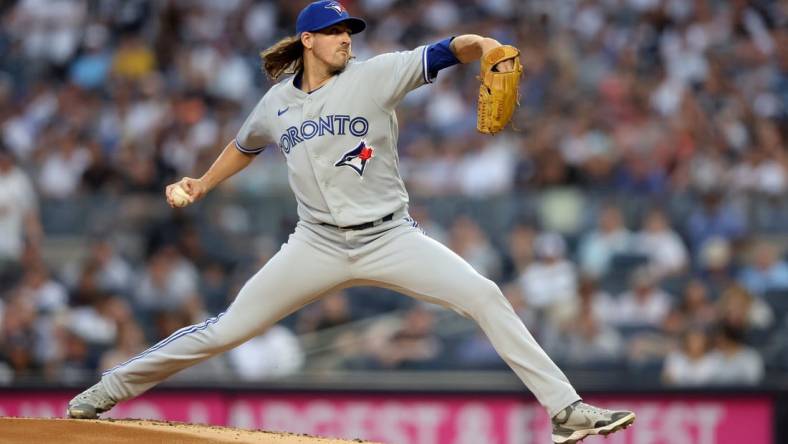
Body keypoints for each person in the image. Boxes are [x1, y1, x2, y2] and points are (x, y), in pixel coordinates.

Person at [67, 2, 635, 442]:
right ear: (308, 40)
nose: (346, 39)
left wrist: (483, 44)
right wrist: (201, 183)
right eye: (337, 32)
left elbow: (445, 50)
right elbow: (246, 145)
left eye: (350, 32)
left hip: (390, 235)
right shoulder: (275, 104)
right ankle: (106, 390)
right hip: (313, 244)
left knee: (486, 296)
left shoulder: (376, 75)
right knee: (226, 330)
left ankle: (566, 411)